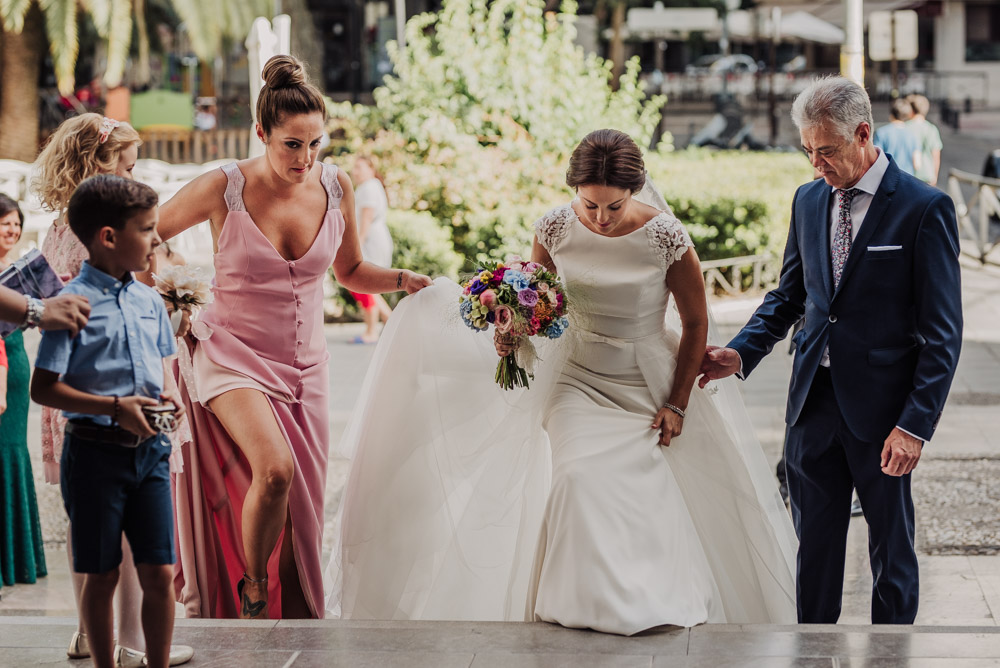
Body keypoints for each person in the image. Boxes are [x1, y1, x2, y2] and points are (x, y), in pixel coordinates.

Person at [325, 129, 798, 634]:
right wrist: (509, 334)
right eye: (590, 204)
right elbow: (534, 304)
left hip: (646, 379)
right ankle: (577, 607)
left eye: (613, 206)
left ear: (634, 191)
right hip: (576, 376)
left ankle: (651, 596)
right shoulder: (553, 228)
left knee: (642, 480)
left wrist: (677, 402)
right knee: (575, 476)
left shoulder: (666, 236)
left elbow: (697, 322)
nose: (599, 218)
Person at [157, 54, 431, 620]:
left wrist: (405, 281)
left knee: (303, 516)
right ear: (261, 133)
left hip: (308, 370)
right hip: (230, 354)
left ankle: (290, 623)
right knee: (275, 471)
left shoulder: (337, 186)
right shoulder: (222, 187)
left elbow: (350, 272)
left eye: (315, 143)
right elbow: (143, 234)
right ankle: (250, 585)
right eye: (290, 144)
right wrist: (166, 296)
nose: (305, 158)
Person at [700, 77, 963, 624]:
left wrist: (915, 426)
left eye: (826, 151)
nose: (815, 164)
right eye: (807, 151)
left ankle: (891, 657)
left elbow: (943, 333)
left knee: (891, 552)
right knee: (813, 547)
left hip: (885, 412)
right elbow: (789, 295)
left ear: (863, 134)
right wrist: (742, 352)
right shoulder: (808, 199)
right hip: (811, 406)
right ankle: (813, 651)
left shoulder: (924, 209)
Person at [32, 113, 193, 668]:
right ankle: (120, 644)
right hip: (97, 430)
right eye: (126, 165)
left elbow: (155, 361)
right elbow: (47, 380)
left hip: (145, 433)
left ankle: (113, 639)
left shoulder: (135, 291)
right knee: (107, 556)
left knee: (143, 558)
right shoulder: (81, 277)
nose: (155, 238)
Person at [0, 195, 47, 594]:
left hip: (14, 364)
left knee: (13, 451)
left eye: (15, 224)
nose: (11, 231)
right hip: (0, 368)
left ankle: (18, 558)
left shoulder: (13, 270)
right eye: (4, 224)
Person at [347, 155, 394, 343]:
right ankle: (387, 323)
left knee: (366, 283)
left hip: (370, 241)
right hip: (372, 239)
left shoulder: (369, 187)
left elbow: (366, 217)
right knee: (367, 285)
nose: (355, 171)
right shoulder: (368, 187)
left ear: (371, 169)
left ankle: (373, 330)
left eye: (359, 167)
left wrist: (357, 243)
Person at [873, 98, 921, 176]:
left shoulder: (881, 133)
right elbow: (917, 164)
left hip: (887, 177)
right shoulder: (913, 134)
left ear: (891, 115)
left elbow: (876, 160)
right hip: (907, 178)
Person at [906, 94, 944, 186]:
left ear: (911, 110)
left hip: (907, 176)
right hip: (926, 176)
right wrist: (934, 176)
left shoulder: (905, 127)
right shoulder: (931, 129)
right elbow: (936, 156)